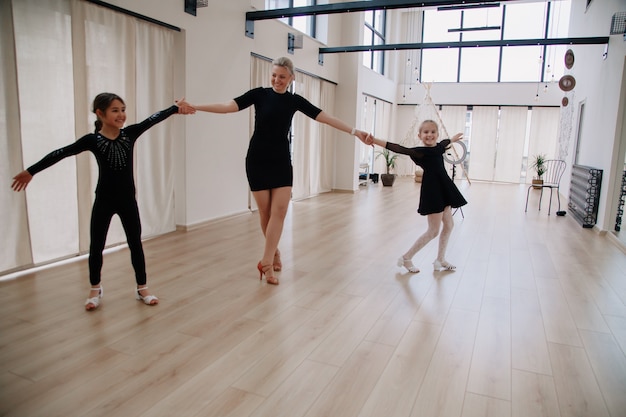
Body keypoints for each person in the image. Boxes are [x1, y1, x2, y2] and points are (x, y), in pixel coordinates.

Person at [176, 57, 371, 285]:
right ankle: (275, 252)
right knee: (265, 214)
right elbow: (228, 107)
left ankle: (266, 263)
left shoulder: (294, 101)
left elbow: (326, 118)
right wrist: (195, 107)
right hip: (257, 159)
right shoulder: (259, 94)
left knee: (280, 212)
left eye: (282, 76)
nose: (277, 80)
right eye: (274, 75)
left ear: (291, 78)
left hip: (281, 161)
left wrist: (355, 131)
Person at [11, 93, 193, 310]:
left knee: (135, 244)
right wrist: (31, 171)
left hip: (127, 200)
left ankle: (141, 287)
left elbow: (152, 119)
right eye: (115, 110)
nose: (121, 115)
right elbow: (61, 153)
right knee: (96, 246)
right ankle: (95, 288)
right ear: (100, 113)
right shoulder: (92, 141)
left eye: (123, 109)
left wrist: (174, 108)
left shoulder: (130, 134)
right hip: (104, 200)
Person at [367, 119, 467, 273]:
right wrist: (375, 140)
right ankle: (406, 258)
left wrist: (453, 139)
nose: (429, 135)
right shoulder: (420, 152)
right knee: (433, 231)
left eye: (433, 132)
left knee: (449, 225)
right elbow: (398, 148)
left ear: (437, 134)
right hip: (433, 191)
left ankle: (440, 259)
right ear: (419, 135)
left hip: (445, 189)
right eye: (426, 132)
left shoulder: (439, 147)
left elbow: (444, 143)